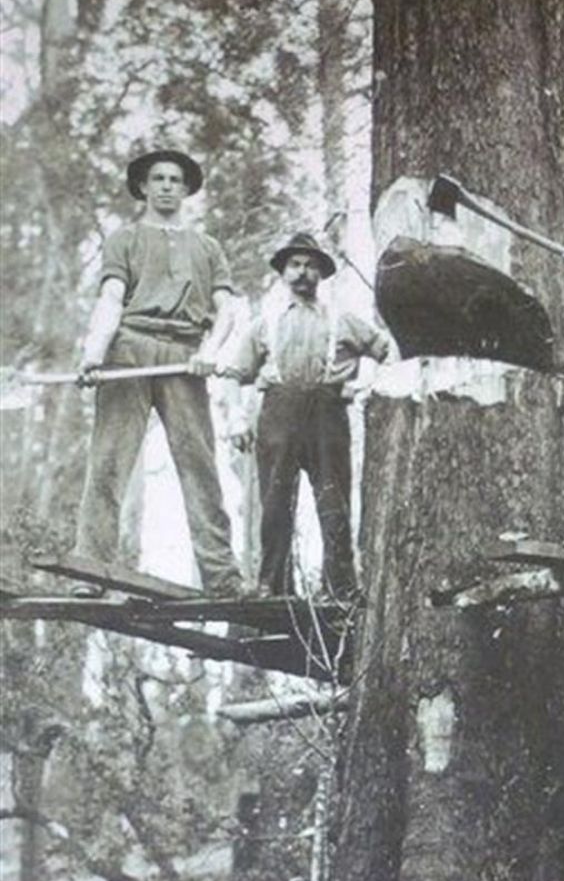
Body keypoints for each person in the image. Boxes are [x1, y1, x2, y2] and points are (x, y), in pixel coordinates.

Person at [72, 148, 245, 596]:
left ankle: (223, 578)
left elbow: (227, 310)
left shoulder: (207, 247)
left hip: (185, 356)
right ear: (143, 187)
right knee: (109, 459)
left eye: (175, 179)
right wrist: (93, 352)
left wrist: (210, 349)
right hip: (128, 349)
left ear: (186, 189)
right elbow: (111, 298)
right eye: (158, 179)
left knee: (200, 465)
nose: (167, 185)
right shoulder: (124, 239)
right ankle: (90, 570)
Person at [220, 231, 390, 598]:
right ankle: (274, 586)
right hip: (278, 416)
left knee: (334, 503)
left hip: (328, 417)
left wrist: (364, 386)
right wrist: (234, 419)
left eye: (311, 266)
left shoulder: (342, 321)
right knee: (275, 504)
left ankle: (340, 586)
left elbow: (387, 351)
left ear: (321, 274)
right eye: (295, 265)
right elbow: (233, 374)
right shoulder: (265, 323)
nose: (302, 272)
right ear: (283, 272)